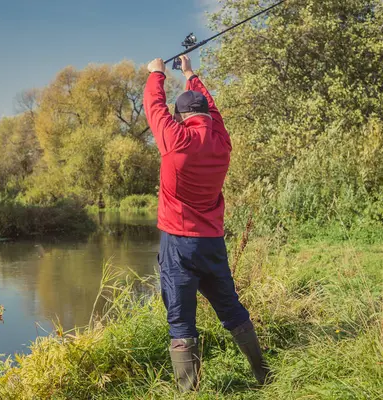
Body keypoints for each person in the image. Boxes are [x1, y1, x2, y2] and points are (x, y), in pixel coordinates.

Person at [143, 55, 270, 392]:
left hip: (179, 245)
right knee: (231, 308)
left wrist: (156, 73)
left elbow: (154, 107)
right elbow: (212, 111)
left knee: (181, 323)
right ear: (206, 117)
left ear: (181, 118)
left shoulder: (176, 140)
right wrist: (190, 75)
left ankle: (190, 393)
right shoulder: (222, 143)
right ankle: (263, 374)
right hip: (212, 242)